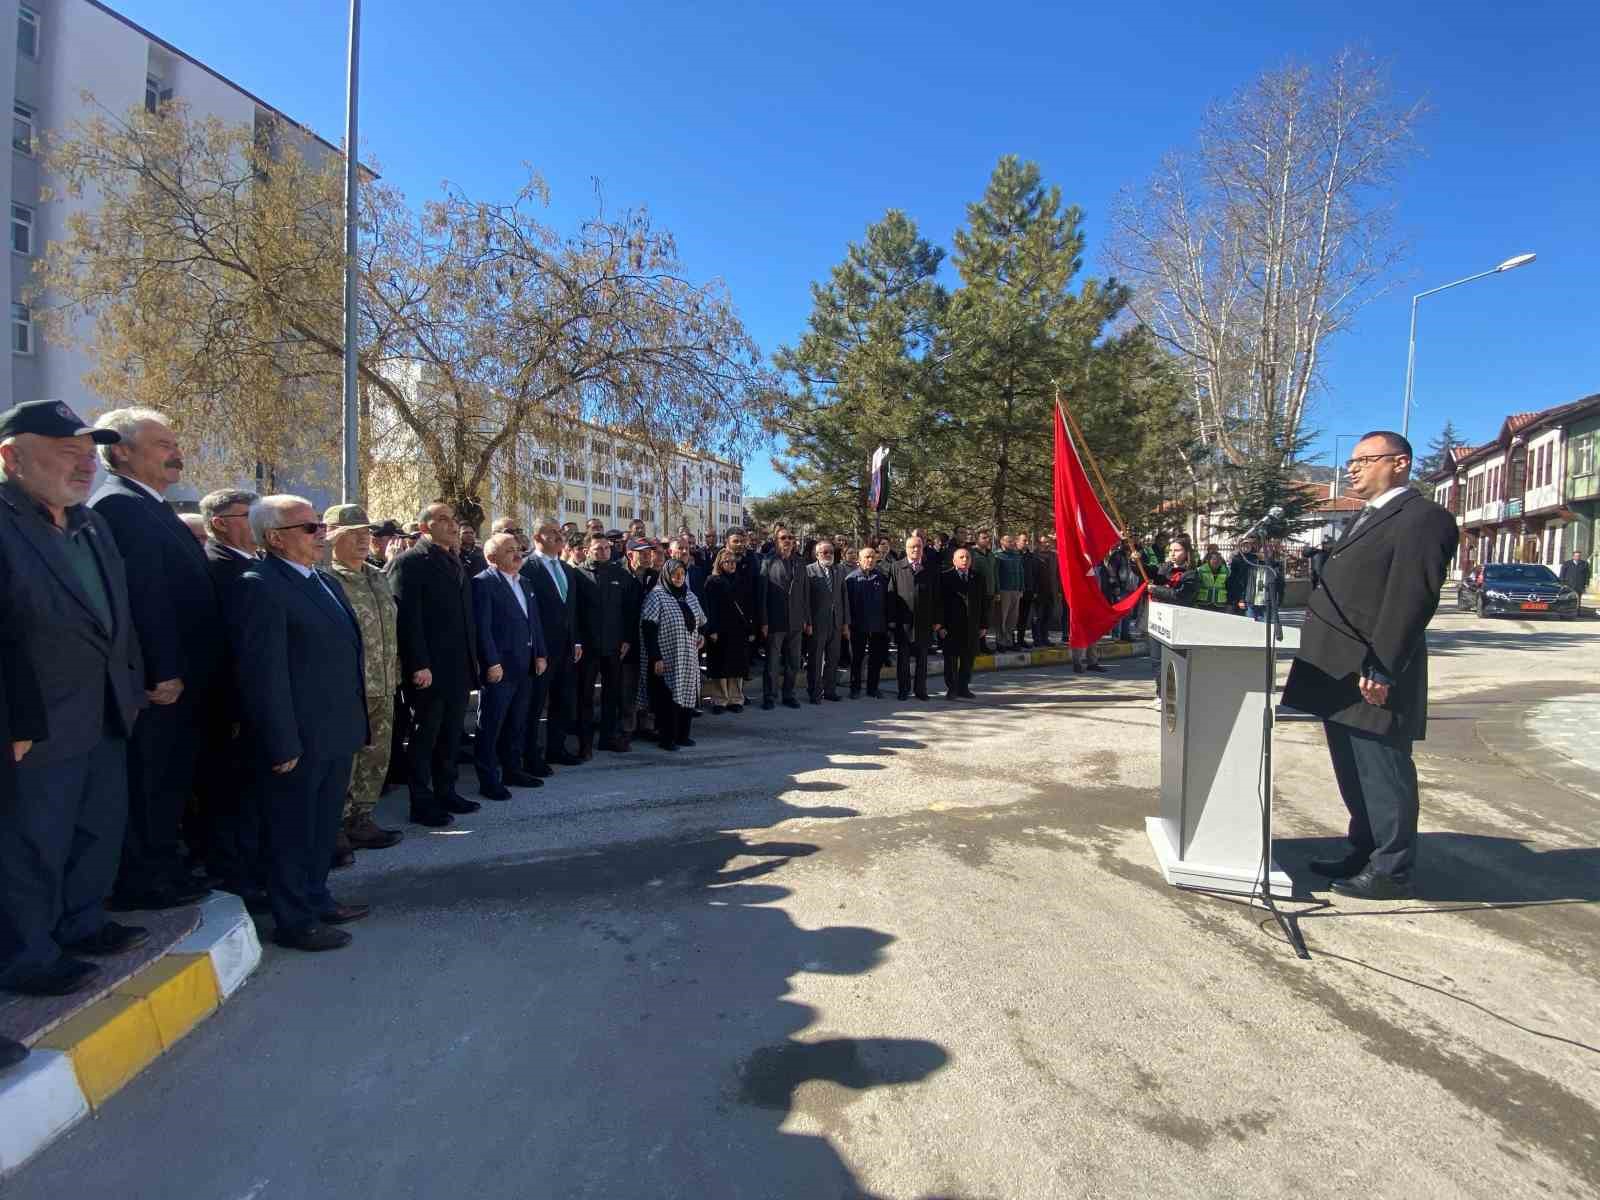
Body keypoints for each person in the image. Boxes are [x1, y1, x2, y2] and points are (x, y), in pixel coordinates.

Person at [0, 403, 147, 997]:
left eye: (90, 454)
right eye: (68, 452)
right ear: (11, 457)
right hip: (35, 721)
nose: (85, 465)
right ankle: (28, 956)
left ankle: (82, 923)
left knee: (95, 826)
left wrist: (131, 686)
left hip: (104, 709)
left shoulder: (89, 523)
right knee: (32, 842)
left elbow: (118, 616)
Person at [1281, 432, 1459, 901]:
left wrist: (1382, 667)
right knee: (1353, 771)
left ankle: (1392, 869)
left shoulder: (1423, 519)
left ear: (1400, 463)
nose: (1352, 469)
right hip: (1335, 671)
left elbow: (1411, 597)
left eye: (1365, 460)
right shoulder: (1369, 516)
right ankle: (1364, 850)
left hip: (1371, 671)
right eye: (1352, 461)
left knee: (1383, 771)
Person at [89, 406, 220, 911]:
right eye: (163, 444)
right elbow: (144, 596)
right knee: (152, 782)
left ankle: (165, 865)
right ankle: (144, 879)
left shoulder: (150, 505)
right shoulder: (120, 507)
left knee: (170, 782)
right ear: (121, 451)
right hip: (162, 685)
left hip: (185, 679)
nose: (177, 453)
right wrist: (162, 668)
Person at [233, 495, 371, 951]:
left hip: (334, 732)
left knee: (320, 828)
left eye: (320, 526)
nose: (321, 535)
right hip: (298, 739)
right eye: (310, 528)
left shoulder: (321, 582)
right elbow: (264, 675)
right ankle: (294, 920)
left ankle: (316, 897)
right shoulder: (260, 585)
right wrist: (282, 743)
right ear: (275, 538)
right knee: (292, 832)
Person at [194, 489, 266, 901]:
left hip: (249, 701)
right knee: (231, 795)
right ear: (220, 523)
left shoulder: (249, 564)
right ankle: (237, 877)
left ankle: (252, 867)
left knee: (250, 796)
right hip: (230, 704)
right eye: (247, 515)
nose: (256, 523)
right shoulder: (218, 568)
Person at [389, 503, 480, 828]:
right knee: (425, 737)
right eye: (442, 519)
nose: (452, 525)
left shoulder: (453, 558)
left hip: (457, 667)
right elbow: (408, 620)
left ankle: (447, 791)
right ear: (424, 526)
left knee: (451, 734)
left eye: (453, 520)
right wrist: (418, 664)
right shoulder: (410, 562)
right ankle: (421, 801)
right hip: (430, 670)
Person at [324, 505, 406, 855]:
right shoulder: (326, 578)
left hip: (384, 682)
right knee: (346, 758)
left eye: (365, 534)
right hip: (349, 687)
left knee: (376, 755)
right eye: (351, 534)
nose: (362, 540)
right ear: (330, 536)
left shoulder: (376, 576)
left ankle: (362, 819)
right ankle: (336, 826)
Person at [471, 533, 548, 798]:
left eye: (518, 549)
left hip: (525, 665)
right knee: (491, 726)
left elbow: (534, 622)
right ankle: (489, 779)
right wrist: (491, 662)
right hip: (500, 668)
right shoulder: (483, 584)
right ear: (492, 557)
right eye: (509, 551)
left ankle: (513, 770)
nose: (517, 555)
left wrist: (540, 653)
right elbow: (483, 629)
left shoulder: (524, 582)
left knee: (517, 722)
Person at [519, 518, 583, 772]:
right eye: (551, 533)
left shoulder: (567, 570)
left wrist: (576, 639)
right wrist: (535, 649)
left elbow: (572, 610)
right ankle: (530, 756)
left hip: (566, 649)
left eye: (559, 532)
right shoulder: (527, 568)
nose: (559, 536)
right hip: (540, 650)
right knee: (534, 705)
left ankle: (556, 748)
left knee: (562, 700)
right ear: (537, 538)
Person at [574, 531, 640, 756]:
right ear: (586, 551)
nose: (603, 552)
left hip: (614, 647)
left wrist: (627, 639)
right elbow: (573, 614)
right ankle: (585, 744)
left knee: (612, 695)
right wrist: (577, 642)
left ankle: (607, 738)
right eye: (598, 549)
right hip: (588, 648)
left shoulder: (620, 575)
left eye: (606, 548)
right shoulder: (578, 575)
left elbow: (630, 611)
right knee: (584, 696)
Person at [639, 557, 707, 751]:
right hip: (667, 657)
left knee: (687, 697)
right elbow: (648, 628)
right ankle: (667, 738)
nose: (678, 578)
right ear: (667, 575)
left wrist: (701, 635)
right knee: (668, 700)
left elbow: (701, 621)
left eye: (682, 574)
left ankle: (683, 736)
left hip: (688, 657)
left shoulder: (690, 596)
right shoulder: (657, 596)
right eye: (675, 574)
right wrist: (656, 657)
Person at [756, 528, 812, 710]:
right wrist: (763, 621)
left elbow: (805, 593)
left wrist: (807, 619)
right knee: (772, 662)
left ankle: (789, 694)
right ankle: (770, 696)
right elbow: (762, 595)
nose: (787, 540)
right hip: (775, 621)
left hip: (796, 621)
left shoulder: (800, 562)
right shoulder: (768, 561)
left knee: (794, 661)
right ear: (776, 541)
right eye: (783, 538)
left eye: (790, 537)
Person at [702, 548, 753, 713]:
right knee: (720, 666)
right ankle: (720, 700)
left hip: (738, 629)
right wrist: (711, 630)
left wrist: (751, 628)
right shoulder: (712, 581)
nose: (731, 565)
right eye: (727, 562)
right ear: (720, 563)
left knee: (737, 665)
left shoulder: (741, 580)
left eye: (734, 562)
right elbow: (709, 607)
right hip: (719, 629)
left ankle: (736, 699)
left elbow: (748, 605)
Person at [889, 534, 940, 700]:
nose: (916, 550)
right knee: (903, 660)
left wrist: (937, 620)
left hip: (924, 622)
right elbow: (891, 595)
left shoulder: (930, 567)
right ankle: (903, 690)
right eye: (912, 547)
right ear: (906, 549)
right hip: (903, 623)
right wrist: (892, 621)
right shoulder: (896, 567)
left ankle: (921, 690)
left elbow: (937, 597)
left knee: (922, 660)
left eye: (919, 547)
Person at [940, 546, 987, 700]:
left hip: (971, 626)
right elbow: (938, 603)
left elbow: (984, 603)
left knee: (968, 659)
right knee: (951, 660)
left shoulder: (977, 577)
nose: (965, 560)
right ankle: (952, 688)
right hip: (951, 626)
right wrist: (940, 625)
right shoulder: (945, 577)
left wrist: (983, 625)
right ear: (954, 561)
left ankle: (963, 687)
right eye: (961, 557)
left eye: (967, 557)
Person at [805, 540, 847, 704]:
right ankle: (814, 693)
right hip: (816, 623)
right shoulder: (809, 571)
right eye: (824, 552)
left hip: (836, 623)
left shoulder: (839, 570)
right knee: (815, 660)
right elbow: (806, 600)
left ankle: (830, 690)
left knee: (833, 658)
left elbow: (844, 598)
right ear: (817, 554)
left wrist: (845, 623)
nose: (828, 555)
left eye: (830, 552)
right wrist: (807, 622)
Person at [845, 545, 891, 698]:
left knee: (875, 659)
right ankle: (855, 688)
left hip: (878, 626)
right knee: (856, 659)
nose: (870, 560)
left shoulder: (882, 578)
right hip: (858, 626)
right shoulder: (850, 579)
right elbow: (847, 605)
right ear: (859, 560)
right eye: (867, 557)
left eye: (873, 557)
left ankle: (873, 688)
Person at [969, 531, 999, 651]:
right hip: (976, 593)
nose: (987, 540)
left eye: (988, 538)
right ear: (977, 539)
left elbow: (995, 573)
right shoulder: (972, 553)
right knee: (976, 619)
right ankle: (974, 645)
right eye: (984, 538)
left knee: (985, 620)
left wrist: (997, 591)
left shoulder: (990, 554)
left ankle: (982, 644)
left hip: (990, 592)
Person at [1031, 535, 1060, 648]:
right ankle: (1037, 639)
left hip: (1051, 591)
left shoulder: (1053, 556)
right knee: (1037, 617)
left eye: (1048, 542)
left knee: (1048, 616)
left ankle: (1045, 637)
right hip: (1038, 592)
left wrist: (1058, 590)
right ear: (1039, 543)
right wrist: (1034, 590)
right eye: (1044, 542)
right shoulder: (1034, 556)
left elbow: (1057, 574)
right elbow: (1032, 575)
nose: (1047, 544)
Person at [1015, 532, 1038, 648]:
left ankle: (1020, 639)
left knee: (1024, 618)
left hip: (1028, 591)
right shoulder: (1014, 555)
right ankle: (1010, 641)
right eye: (1024, 540)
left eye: (1027, 540)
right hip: (1016, 590)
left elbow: (1034, 574)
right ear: (1017, 541)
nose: (1026, 542)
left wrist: (1034, 590)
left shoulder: (1031, 556)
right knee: (1013, 617)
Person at [1197, 547, 1231, 612]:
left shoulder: (1227, 571)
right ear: (1209, 560)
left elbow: (1229, 587)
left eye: (1219, 559)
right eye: (1214, 559)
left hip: (1220, 604)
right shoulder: (1200, 570)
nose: (1216, 561)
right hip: (1203, 603)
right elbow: (1196, 586)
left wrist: (1229, 603)